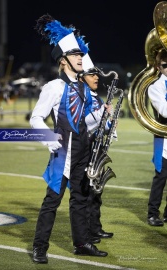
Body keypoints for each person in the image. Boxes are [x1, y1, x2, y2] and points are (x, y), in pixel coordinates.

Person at [30, 14, 108, 264]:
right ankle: (39, 247)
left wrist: (103, 117)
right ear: (63, 61)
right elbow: (35, 118)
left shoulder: (85, 88)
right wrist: (48, 138)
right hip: (62, 152)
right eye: (75, 56)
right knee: (52, 201)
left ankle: (82, 243)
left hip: (83, 152)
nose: (80, 59)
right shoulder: (54, 87)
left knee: (81, 200)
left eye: (80, 55)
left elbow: (84, 122)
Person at [79, 54, 116, 240]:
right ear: (81, 77)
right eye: (91, 74)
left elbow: (103, 123)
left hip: (98, 148)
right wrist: (103, 112)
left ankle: (96, 227)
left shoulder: (98, 99)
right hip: (86, 148)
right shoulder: (82, 98)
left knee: (97, 191)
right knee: (86, 193)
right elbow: (84, 123)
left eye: (96, 74)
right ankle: (86, 232)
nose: (97, 77)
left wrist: (111, 126)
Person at [147, 48, 167, 226]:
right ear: (158, 67)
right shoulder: (155, 87)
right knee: (161, 177)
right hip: (164, 139)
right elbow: (164, 110)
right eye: (165, 65)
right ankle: (153, 213)